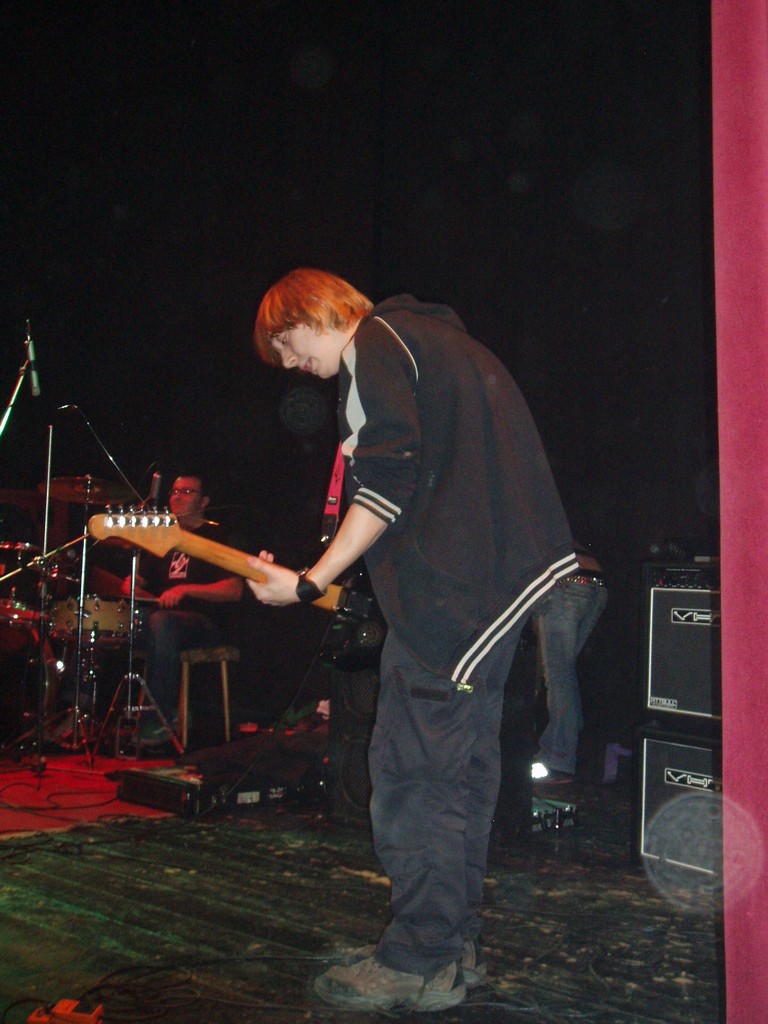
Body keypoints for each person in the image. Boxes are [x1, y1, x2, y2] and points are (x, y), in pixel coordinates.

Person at [247, 268, 577, 1012]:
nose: (294, 365)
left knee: (414, 779)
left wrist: (309, 581)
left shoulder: (375, 343)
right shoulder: (431, 339)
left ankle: (418, 958)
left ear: (313, 312)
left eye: (288, 344)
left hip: (452, 600)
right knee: (458, 777)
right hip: (491, 591)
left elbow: (387, 481)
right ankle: (449, 947)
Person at [121, 473, 243, 745]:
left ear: (204, 501)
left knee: (162, 622)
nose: (177, 497)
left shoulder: (218, 535)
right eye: (175, 491)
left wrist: (186, 590)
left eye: (187, 491)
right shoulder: (164, 538)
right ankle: (87, 713)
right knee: (107, 622)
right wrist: (131, 585)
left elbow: (234, 590)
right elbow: (140, 582)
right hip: (162, 621)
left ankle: (159, 721)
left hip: (205, 624)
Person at [532, 544, 607, 782]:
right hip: (595, 583)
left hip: (565, 585)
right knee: (565, 675)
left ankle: (558, 759)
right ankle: (571, 750)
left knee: (559, 677)